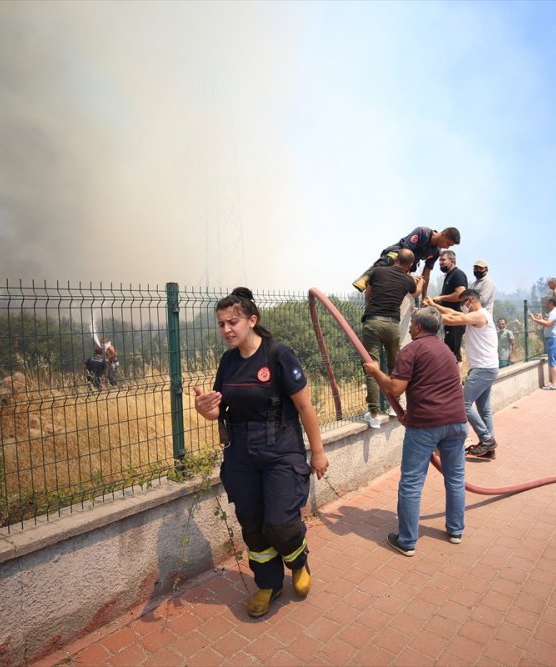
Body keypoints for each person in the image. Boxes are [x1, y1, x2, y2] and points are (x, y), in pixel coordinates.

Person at [192, 288, 329, 618]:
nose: (227, 329)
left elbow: (305, 406)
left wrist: (318, 452)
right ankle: (268, 584)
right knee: (252, 524)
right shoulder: (228, 362)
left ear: (252, 320)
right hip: (240, 454)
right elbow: (218, 411)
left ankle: (297, 562)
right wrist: (203, 409)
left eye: (233, 322)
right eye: (222, 324)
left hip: (281, 449)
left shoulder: (277, 354)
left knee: (280, 523)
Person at [362, 307, 468, 556]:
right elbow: (435, 385)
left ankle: (407, 541)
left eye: (411, 324)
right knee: (455, 479)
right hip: (457, 422)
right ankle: (455, 531)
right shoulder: (446, 350)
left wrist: (376, 371)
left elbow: (396, 388)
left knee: (411, 483)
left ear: (419, 327)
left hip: (426, 427)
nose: (408, 327)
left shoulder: (412, 349)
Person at [427, 290, 499, 459]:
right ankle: (489, 447)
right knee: (484, 409)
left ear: (471, 301)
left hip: (483, 369)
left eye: (463, 303)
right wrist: (433, 305)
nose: (462, 307)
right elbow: (453, 313)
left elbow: (453, 319)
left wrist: (426, 316)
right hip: (487, 368)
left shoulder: (480, 316)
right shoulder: (478, 315)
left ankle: (486, 439)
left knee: (462, 403)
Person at [361, 248, 422, 429]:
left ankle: (374, 414)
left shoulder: (377, 272)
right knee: (395, 366)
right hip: (393, 325)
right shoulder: (407, 280)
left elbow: (368, 294)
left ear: (395, 258)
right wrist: (422, 282)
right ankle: (395, 407)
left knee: (372, 366)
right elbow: (416, 293)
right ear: (410, 265)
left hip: (372, 322)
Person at [352, 227, 461, 301]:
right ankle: (366, 277)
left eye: (450, 246)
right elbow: (404, 254)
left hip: (409, 267)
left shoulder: (436, 252)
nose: (447, 247)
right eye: (448, 243)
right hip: (397, 255)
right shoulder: (422, 232)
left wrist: (424, 297)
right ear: (443, 235)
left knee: (413, 285)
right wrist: (407, 275)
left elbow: (426, 275)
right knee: (393, 257)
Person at [436, 250, 468, 362]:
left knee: (454, 354)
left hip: (456, 318)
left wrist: (441, 298)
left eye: (443, 260)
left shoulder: (458, 274)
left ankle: (457, 379)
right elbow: (447, 296)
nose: (440, 262)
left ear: (452, 261)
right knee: (449, 351)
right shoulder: (449, 275)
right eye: (440, 260)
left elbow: (460, 295)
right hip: (450, 319)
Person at [530, 296, 556, 390]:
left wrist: (534, 319)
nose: (545, 305)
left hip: (554, 339)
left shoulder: (554, 312)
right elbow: (548, 323)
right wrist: (540, 319)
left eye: (547, 303)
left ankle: (554, 384)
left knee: (553, 362)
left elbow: (547, 324)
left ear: (551, 303)